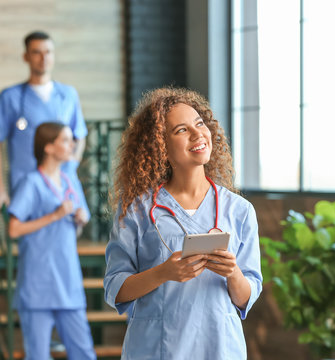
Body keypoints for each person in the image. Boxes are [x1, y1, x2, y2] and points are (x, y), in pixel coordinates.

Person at [103, 87, 263, 359]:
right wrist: (163, 273)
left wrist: (233, 272)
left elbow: (246, 297)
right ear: (161, 147)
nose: (198, 133)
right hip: (157, 349)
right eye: (181, 130)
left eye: (200, 124)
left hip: (219, 347)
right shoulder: (138, 211)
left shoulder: (240, 211)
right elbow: (115, 289)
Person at [7, 122, 96, 360]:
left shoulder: (71, 182)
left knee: (84, 353)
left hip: (67, 281)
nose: (73, 145)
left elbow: (72, 232)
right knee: (37, 355)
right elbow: (14, 229)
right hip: (38, 284)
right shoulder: (31, 183)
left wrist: (79, 220)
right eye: (66, 140)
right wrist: (54, 216)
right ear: (48, 147)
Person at [0, 30, 87, 210]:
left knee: (66, 233)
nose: (43, 58)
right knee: (30, 234)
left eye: (48, 52)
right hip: (26, 184)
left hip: (63, 186)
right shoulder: (11, 97)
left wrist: (71, 165)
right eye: (36, 52)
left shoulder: (68, 95)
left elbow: (80, 135)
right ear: (26, 57)